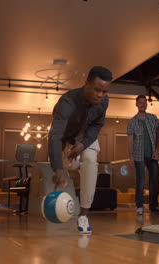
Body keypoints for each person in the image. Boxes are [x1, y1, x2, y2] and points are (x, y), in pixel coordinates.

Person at [48, 66, 112, 234]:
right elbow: (55, 135)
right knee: (67, 168)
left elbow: (97, 124)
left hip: (86, 138)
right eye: (97, 90)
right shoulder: (67, 102)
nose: (101, 95)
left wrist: (83, 145)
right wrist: (58, 168)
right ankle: (69, 165)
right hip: (66, 139)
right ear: (87, 84)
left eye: (104, 91)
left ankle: (84, 214)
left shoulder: (104, 101)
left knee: (90, 160)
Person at [127, 95, 159, 215]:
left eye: (144, 103)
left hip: (152, 155)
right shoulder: (132, 121)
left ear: (147, 104)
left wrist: (157, 150)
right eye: (140, 103)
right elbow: (130, 140)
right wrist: (131, 157)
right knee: (140, 181)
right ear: (136, 104)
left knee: (155, 181)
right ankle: (139, 206)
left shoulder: (153, 118)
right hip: (139, 155)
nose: (143, 105)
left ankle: (153, 205)